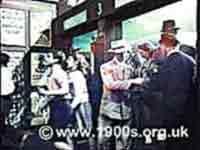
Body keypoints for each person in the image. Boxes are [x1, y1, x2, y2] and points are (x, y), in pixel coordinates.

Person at [140, 32, 196, 150]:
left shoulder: (169, 62)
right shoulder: (190, 60)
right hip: (189, 109)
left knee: (172, 143)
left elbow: (158, 84)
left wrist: (143, 82)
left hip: (172, 110)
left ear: (165, 46)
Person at [98, 44, 144, 150]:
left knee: (124, 142)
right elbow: (111, 85)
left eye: (124, 52)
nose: (123, 54)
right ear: (114, 53)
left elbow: (138, 82)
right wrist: (132, 82)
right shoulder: (106, 67)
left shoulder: (130, 67)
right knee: (104, 141)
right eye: (120, 52)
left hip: (126, 109)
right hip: (109, 109)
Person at [0, 53, 15, 123]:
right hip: (6, 98)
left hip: (4, 98)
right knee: (3, 117)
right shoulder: (8, 71)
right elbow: (11, 87)